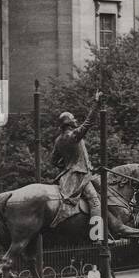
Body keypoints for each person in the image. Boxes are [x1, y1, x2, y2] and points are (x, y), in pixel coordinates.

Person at [47, 91, 103, 222]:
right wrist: (96, 103)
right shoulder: (74, 135)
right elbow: (88, 122)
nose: (76, 120)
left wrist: (67, 166)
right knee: (96, 203)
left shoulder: (58, 140)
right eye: (73, 118)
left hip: (70, 176)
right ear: (68, 123)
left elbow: (53, 161)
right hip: (80, 176)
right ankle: (97, 237)